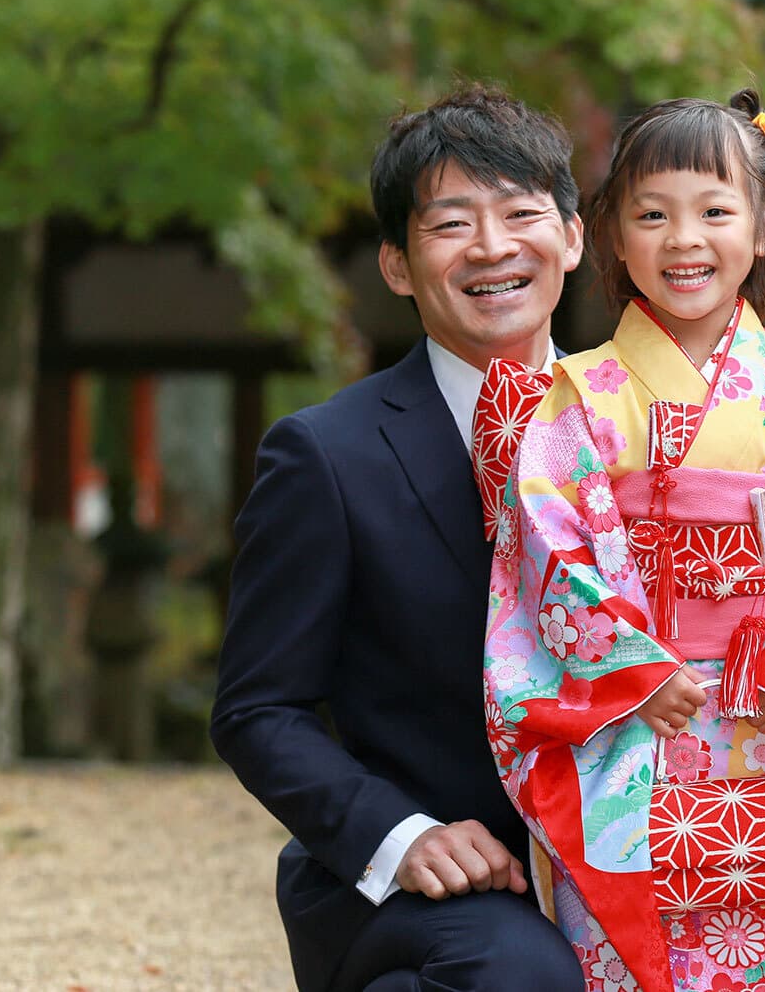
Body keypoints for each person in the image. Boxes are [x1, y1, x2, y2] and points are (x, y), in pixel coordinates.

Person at [480, 91, 765, 992]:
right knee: (630, 960)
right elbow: (544, 549)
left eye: (715, 211)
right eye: (651, 214)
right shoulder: (573, 397)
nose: (683, 238)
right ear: (613, 235)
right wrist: (633, 667)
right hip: (636, 723)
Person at [210, 84, 589, 992]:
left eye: (521, 214)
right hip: (424, 885)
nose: (493, 247)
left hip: (623, 855)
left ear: (572, 238)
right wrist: (404, 833)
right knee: (522, 974)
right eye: (452, 223)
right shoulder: (326, 456)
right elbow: (258, 709)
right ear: (395, 263)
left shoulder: (646, 429)